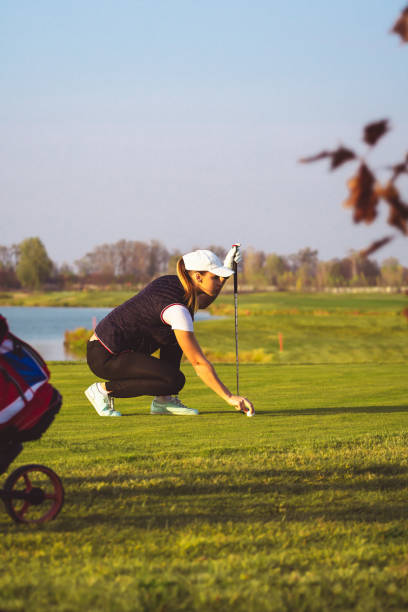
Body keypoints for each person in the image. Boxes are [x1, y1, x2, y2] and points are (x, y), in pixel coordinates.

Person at [84, 246, 254, 417]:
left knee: (173, 336)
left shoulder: (174, 283)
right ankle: (102, 391)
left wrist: (227, 267)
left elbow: (202, 302)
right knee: (173, 380)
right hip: (106, 355)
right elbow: (197, 362)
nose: (219, 282)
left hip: (116, 348)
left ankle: (163, 401)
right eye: (215, 277)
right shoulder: (177, 310)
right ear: (197, 277)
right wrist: (229, 397)